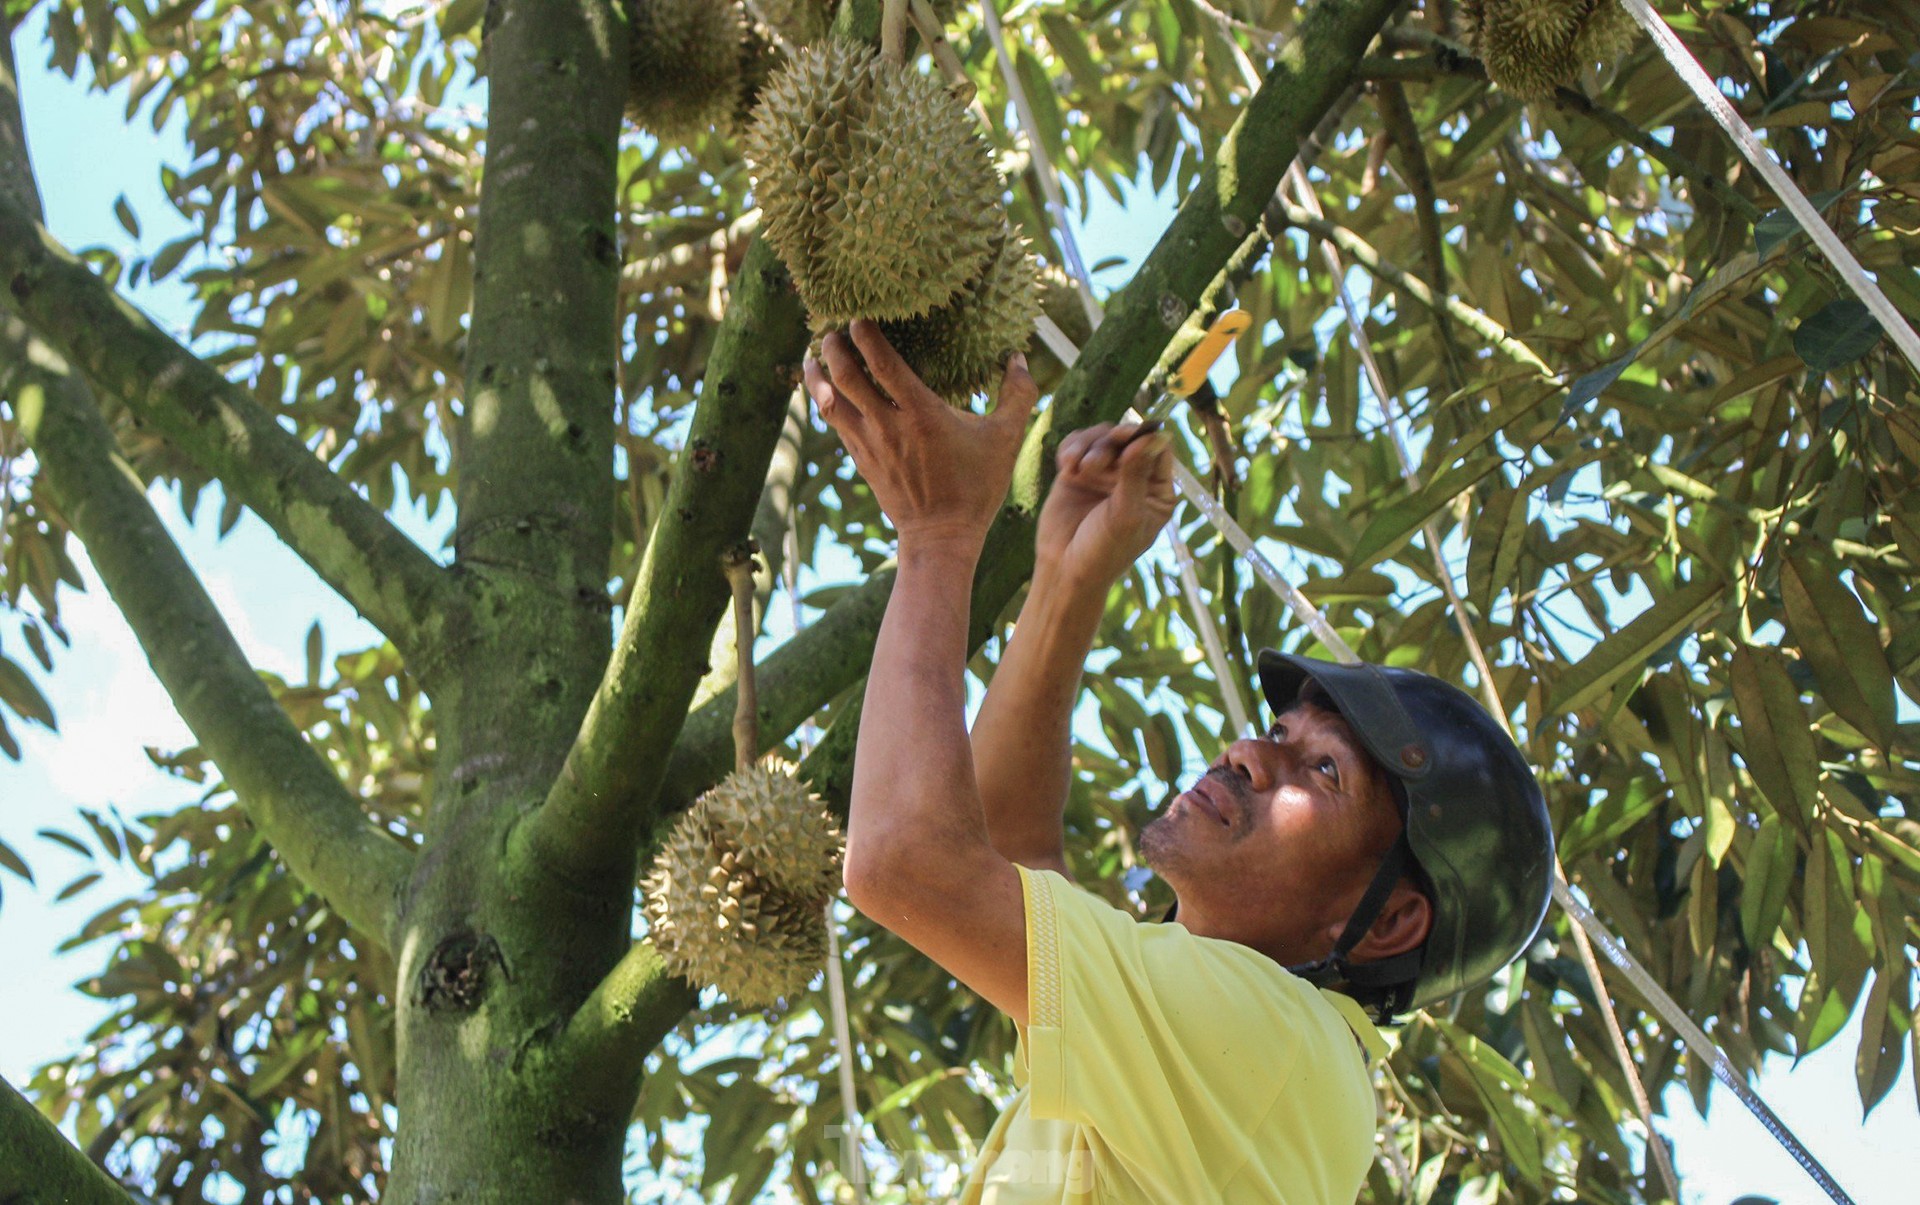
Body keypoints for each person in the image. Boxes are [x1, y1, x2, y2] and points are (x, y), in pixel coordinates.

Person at [804, 321, 1555, 1203]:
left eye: (1323, 772)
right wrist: (1065, 577)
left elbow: (909, 860)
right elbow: (1003, 859)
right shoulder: (1194, 1048)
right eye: (1278, 732)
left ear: (1387, 921)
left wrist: (937, 534)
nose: (1249, 752)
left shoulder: (1277, 1047)